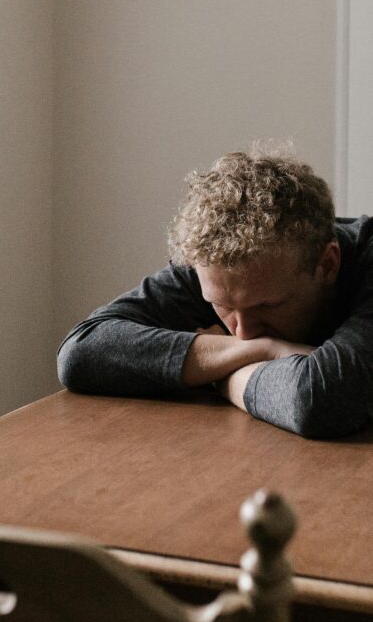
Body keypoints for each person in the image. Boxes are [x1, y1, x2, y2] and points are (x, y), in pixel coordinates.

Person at [57, 147, 373, 439]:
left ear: (328, 265)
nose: (243, 332)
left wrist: (219, 376)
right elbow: (80, 353)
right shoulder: (215, 263)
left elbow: (318, 400)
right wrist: (263, 350)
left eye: (267, 305)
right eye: (221, 306)